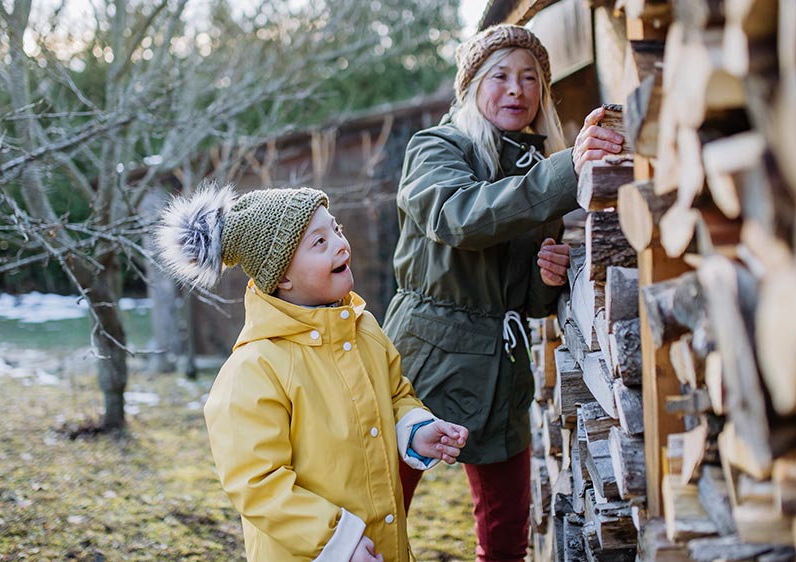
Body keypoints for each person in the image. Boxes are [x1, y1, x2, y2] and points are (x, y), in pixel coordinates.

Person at [381, 24, 625, 562]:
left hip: (502, 365)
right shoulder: (437, 148)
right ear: (471, 86)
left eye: (530, 78)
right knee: (381, 508)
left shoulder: (538, 167)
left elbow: (529, 301)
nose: (517, 89)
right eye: (501, 76)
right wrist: (568, 170)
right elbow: (460, 217)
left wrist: (547, 277)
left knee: (507, 528)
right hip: (426, 356)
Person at [155, 183, 470, 562]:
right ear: (282, 277)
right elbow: (258, 483)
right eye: (319, 243)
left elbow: (395, 396)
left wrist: (415, 428)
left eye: (335, 229)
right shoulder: (254, 369)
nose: (340, 244)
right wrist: (338, 542)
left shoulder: (364, 329)